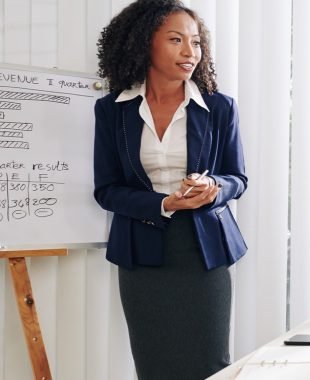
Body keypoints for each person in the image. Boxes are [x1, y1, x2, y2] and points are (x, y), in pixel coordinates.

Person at [93, 0, 247, 378]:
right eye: (176, 40)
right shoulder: (112, 110)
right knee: (154, 365)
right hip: (141, 254)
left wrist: (212, 187)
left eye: (196, 42)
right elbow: (107, 189)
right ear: (146, 43)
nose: (189, 52)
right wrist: (163, 202)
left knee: (211, 366)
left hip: (203, 251)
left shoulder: (219, 107)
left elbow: (237, 179)